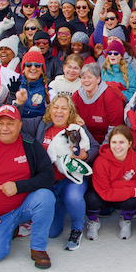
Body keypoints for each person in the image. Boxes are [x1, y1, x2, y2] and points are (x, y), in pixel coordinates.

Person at [0, 104, 56, 267]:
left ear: (20, 125)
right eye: (1, 123)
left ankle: (38, 248)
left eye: (10, 123)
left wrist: (18, 186)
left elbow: (48, 176)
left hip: (23, 208)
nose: (5, 128)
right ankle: (11, 228)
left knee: (46, 197)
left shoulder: (30, 145)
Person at [30, 95, 97, 251]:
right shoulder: (41, 124)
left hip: (70, 179)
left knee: (73, 197)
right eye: (56, 107)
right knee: (53, 233)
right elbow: (19, 121)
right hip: (49, 182)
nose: (59, 111)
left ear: (70, 112)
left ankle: (77, 228)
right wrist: (18, 101)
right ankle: (59, 205)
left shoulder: (76, 127)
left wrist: (85, 155)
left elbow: (95, 147)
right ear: (50, 110)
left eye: (64, 108)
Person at [85, 125, 136, 240]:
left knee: (133, 199)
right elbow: (104, 192)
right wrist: (129, 189)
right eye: (114, 142)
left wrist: (114, 184)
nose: (117, 147)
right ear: (109, 144)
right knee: (91, 197)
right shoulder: (101, 161)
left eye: (121, 142)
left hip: (118, 195)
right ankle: (93, 221)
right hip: (103, 197)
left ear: (129, 144)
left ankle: (126, 221)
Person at [71, 62, 126, 144]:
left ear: (98, 79)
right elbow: (73, 121)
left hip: (108, 140)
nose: (86, 80)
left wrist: (104, 146)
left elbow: (115, 126)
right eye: (83, 77)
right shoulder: (76, 96)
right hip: (85, 140)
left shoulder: (110, 95)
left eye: (90, 77)